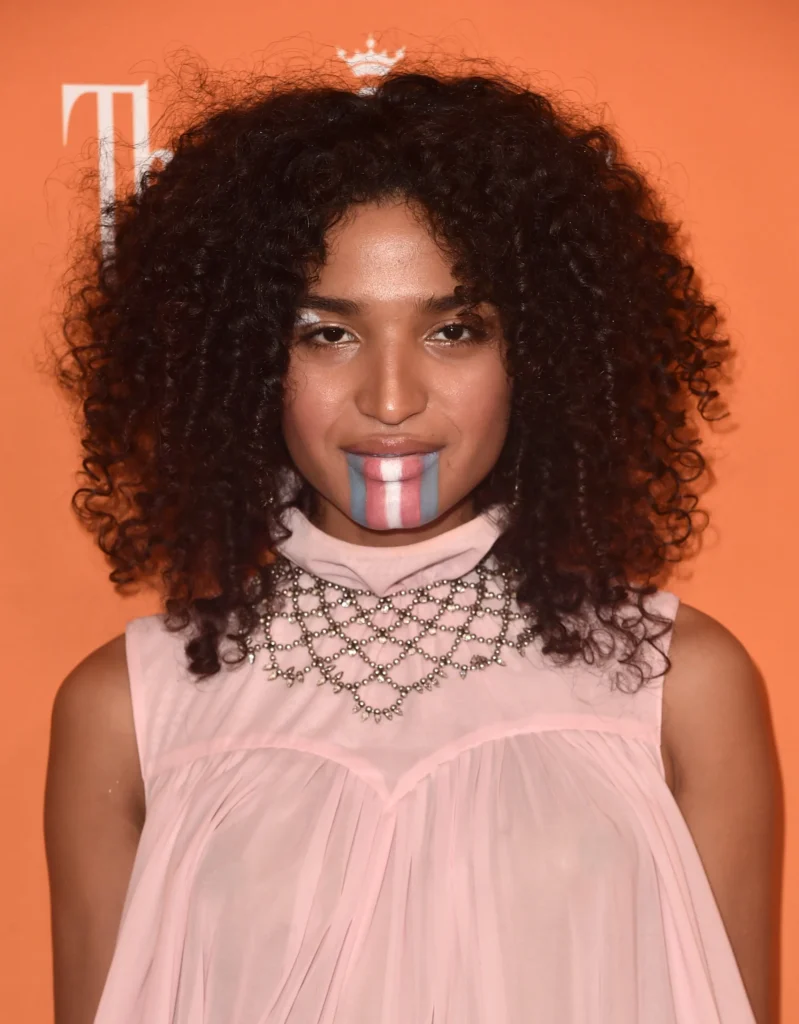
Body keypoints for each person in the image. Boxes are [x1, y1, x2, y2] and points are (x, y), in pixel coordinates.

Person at [44, 56, 778, 1024]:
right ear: (243, 358)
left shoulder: (678, 681)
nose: (391, 400)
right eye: (327, 334)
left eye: (453, 330)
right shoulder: (127, 708)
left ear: (539, 353)